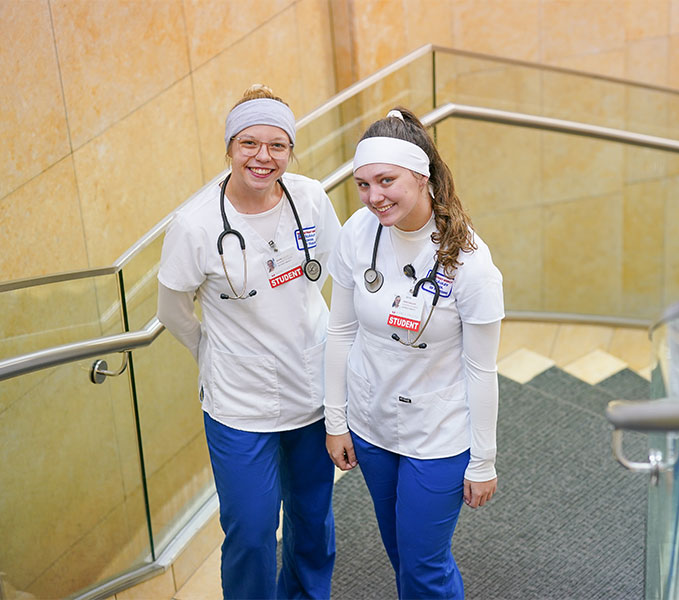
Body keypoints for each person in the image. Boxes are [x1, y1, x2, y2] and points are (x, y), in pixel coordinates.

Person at [157, 84, 341, 599]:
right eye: (249, 144)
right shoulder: (195, 225)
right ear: (230, 148)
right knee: (253, 532)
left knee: (312, 521)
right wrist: (213, 354)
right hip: (239, 405)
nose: (264, 157)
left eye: (277, 145)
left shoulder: (309, 197)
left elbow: (328, 276)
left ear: (290, 149)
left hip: (311, 390)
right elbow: (172, 310)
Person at [324, 107, 504, 598]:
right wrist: (335, 419)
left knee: (424, 564)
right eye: (363, 184)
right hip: (372, 423)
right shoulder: (357, 233)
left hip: (438, 433)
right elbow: (339, 332)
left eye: (386, 181)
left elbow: (481, 369)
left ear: (422, 177)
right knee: (401, 553)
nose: (373, 197)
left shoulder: (471, 265)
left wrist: (483, 460)